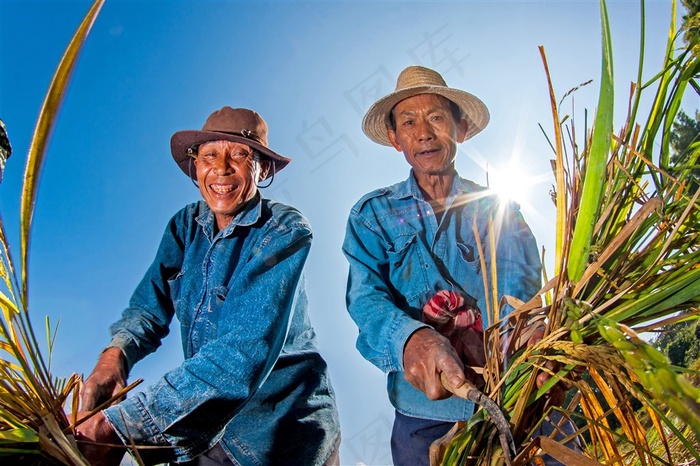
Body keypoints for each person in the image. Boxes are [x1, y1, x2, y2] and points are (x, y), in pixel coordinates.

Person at [76, 106, 341, 466]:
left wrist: (118, 425)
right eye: (209, 155)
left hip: (279, 435)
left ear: (261, 168)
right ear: (195, 166)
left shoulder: (284, 230)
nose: (221, 168)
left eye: (239, 154)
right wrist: (115, 358)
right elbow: (147, 308)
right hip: (205, 430)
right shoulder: (184, 226)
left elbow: (242, 351)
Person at [342, 66, 544, 466]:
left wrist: (527, 335)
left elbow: (521, 285)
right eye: (408, 122)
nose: (424, 133)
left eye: (436, 117)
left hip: (518, 390)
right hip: (426, 415)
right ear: (395, 139)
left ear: (460, 129)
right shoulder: (372, 215)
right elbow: (366, 299)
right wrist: (413, 339)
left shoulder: (496, 205)